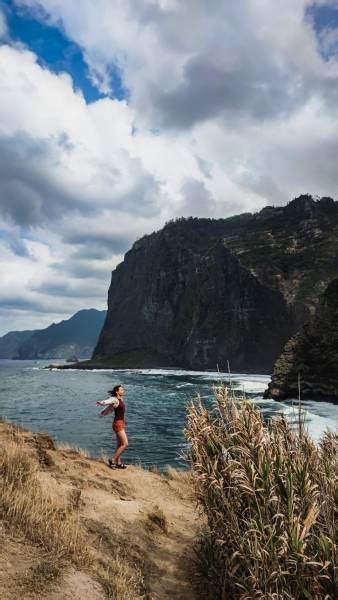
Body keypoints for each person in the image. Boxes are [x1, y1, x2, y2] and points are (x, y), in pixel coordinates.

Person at [96, 384, 128, 469]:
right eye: (121, 390)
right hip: (118, 424)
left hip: (120, 423)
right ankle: (113, 460)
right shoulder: (115, 399)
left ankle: (118, 462)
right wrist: (101, 402)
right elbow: (108, 401)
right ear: (117, 391)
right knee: (125, 443)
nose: (123, 391)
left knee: (119, 444)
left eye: (123, 390)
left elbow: (111, 408)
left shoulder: (121, 399)